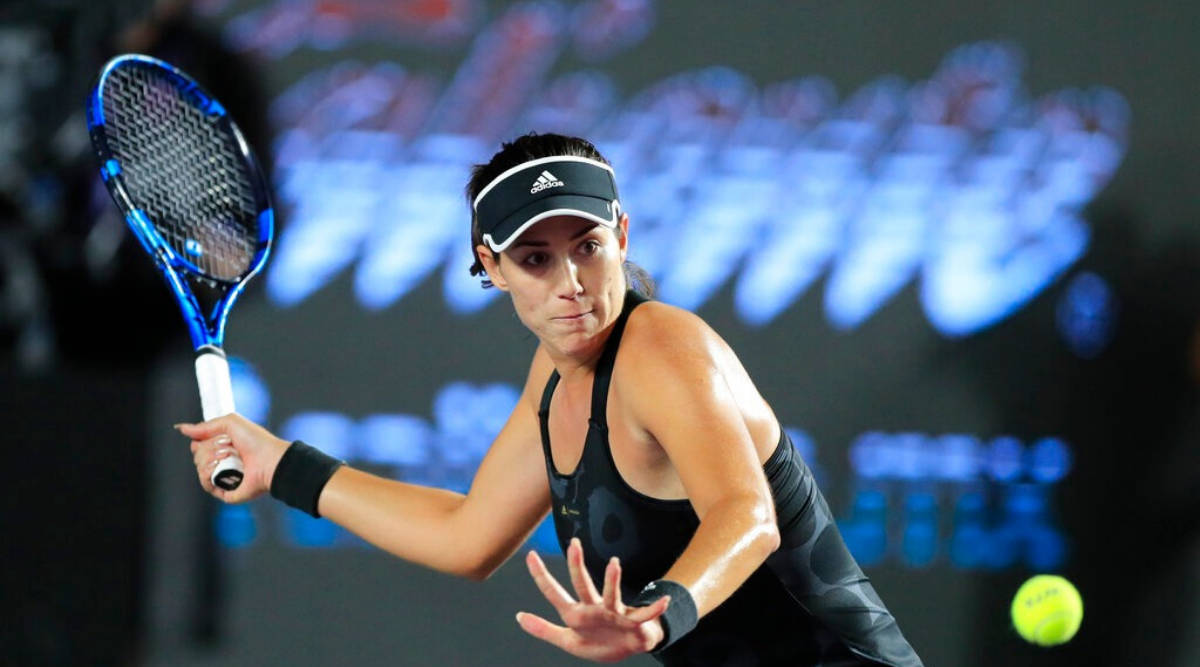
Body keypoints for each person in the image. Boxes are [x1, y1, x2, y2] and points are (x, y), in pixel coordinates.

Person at [178, 132, 924, 666]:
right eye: (536, 258)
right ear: (491, 266)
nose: (569, 282)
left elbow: (748, 515)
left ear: (622, 236)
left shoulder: (662, 343)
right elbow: (468, 537)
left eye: (587, 247)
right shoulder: (556, 376)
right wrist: (283, 467)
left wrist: (655, 617)